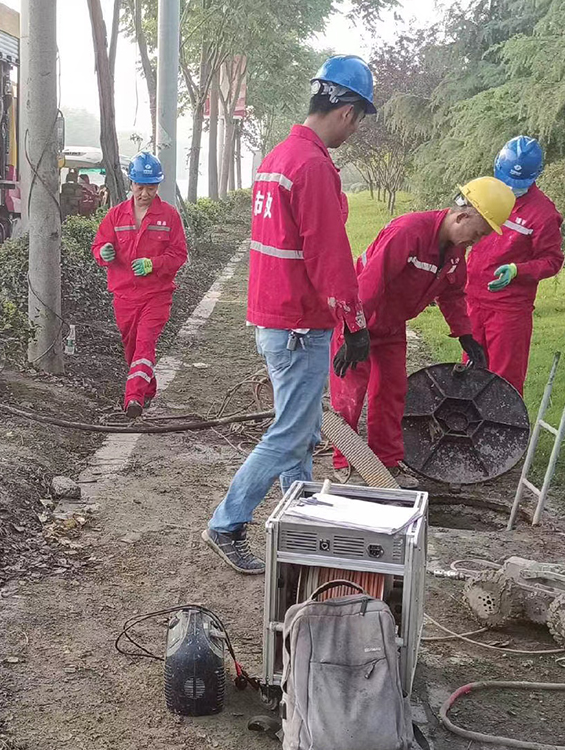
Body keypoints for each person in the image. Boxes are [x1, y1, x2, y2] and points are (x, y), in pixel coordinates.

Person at [202, 55, 376, 575]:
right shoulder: (313, 165)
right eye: (359, 118)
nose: (355, 128)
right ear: (345, 111)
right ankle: (227, 523)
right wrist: (355, 324)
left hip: (275, 319)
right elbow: (329, 254)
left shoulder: (278, 156)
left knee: (299, 431)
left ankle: (297, 523)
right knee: (289, 432)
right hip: (299, 323)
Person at [330, 177, 515, 487]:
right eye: (478, 233)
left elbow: (453, 294)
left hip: (392, 325)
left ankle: (386, 461)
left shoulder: (454, 253)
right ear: (463, 215)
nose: (477, 242)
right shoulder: (409, 232)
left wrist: (466, 335)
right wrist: (354, 331)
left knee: (391, 392)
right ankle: (344, 461)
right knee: (350, 393)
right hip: (361, 317)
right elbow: (371, 282)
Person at [91, 152, 187, 418]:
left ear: (158, 186)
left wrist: (153, 264)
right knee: (133, 350)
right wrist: (104, 253)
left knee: (145, 344)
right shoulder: (115, 216)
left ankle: (133, 398)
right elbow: (98, 245)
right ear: (131, 183)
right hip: (123, 297)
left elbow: (179, 255)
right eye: (140, 186)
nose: (145, 193)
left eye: (151, 187)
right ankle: (148, 388)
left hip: (157, 296)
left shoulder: (169, 217)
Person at [466, 136, 564, 394]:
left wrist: (518, 270)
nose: (510, 189)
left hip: (508, 309)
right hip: (474, 300)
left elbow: (553, 261)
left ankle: (502, 431)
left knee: (504, 381)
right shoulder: (487, 194)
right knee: (469, 372)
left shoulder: (542, 213)